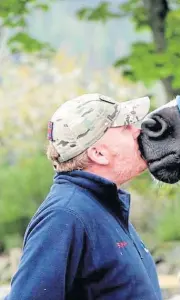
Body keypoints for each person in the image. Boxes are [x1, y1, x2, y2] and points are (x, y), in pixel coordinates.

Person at [5, 93, 163, 300]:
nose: (137, 131)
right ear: (98, 154)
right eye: (125, 127)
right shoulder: (64, 216)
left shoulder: (103, 206)